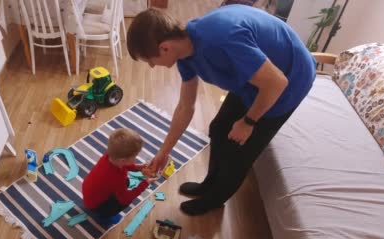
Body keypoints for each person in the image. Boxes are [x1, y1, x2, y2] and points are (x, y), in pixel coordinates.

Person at [126, 5, 316, 216]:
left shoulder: (220, 40)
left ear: (164, 48)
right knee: (219, 129)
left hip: (289, 80)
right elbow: (185, 106)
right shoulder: (185, 52)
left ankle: (215, 199)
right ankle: (209, 184)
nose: (152, 66)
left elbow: (276, 83)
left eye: (149, 61)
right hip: (257, 75)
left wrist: (249, 122)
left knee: (239, 150)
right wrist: (164, 151)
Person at [82, 128, 153, 223]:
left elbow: (125, 165)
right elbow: (125, 199)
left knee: (126, 183)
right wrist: (145, 183)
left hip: (90, 193)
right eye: (135, 157)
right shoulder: (117, 178)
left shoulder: (108, 157)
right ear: (123, 160)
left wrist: (138, 167)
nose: (135, 159)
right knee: (123, 202)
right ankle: (104, 215)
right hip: (95, 206)